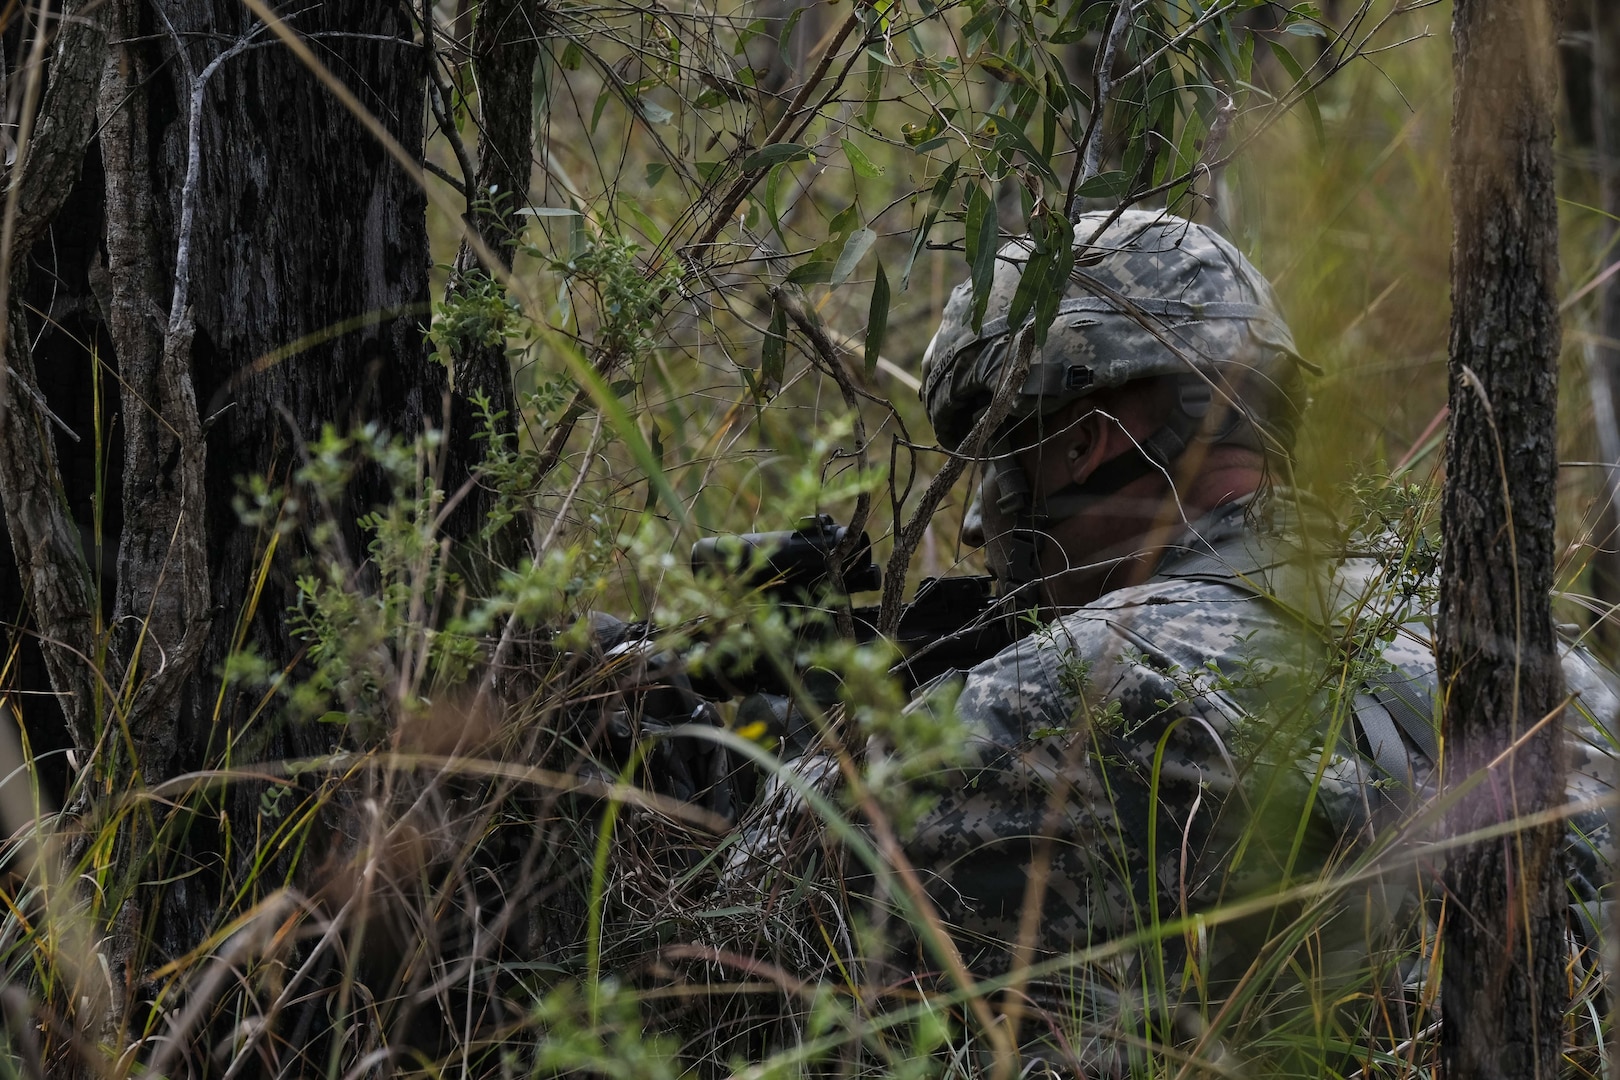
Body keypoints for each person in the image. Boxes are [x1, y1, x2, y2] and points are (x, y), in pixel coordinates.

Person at [881, 209, 1620, 1073]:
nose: (979, 525)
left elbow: (787, 891)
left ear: (1080, 440)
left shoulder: (1066, 691)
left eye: (1003, 451)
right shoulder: (1544, 652)